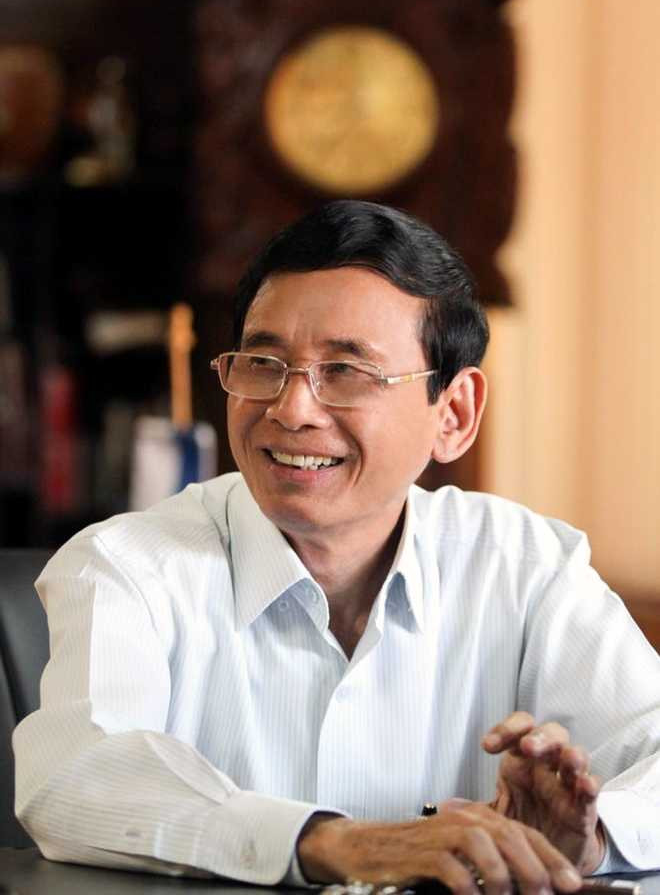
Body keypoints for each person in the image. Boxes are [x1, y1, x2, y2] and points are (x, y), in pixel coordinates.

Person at [14, 201, 660, 893]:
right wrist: (331, 843)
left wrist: (589, 838)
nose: (291, 409)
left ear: (454, 415)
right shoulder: (127, 565)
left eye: (347, 372)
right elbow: (75, 777)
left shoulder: (526, 567)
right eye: (263, 363)